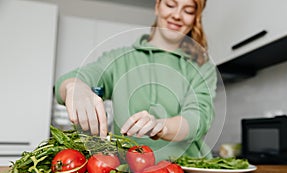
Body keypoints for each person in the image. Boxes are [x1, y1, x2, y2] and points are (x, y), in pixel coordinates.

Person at [54, 0, 217, 161]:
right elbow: (73, 79)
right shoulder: (119, 59)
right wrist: (75, 86)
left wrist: (161, 127)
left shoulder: (201, 66)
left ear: (195, 18)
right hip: (130, 170)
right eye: (170, 5)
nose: (176, 15)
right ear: (157, 6)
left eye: (188, 11)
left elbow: (198, 118)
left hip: (188, 169)